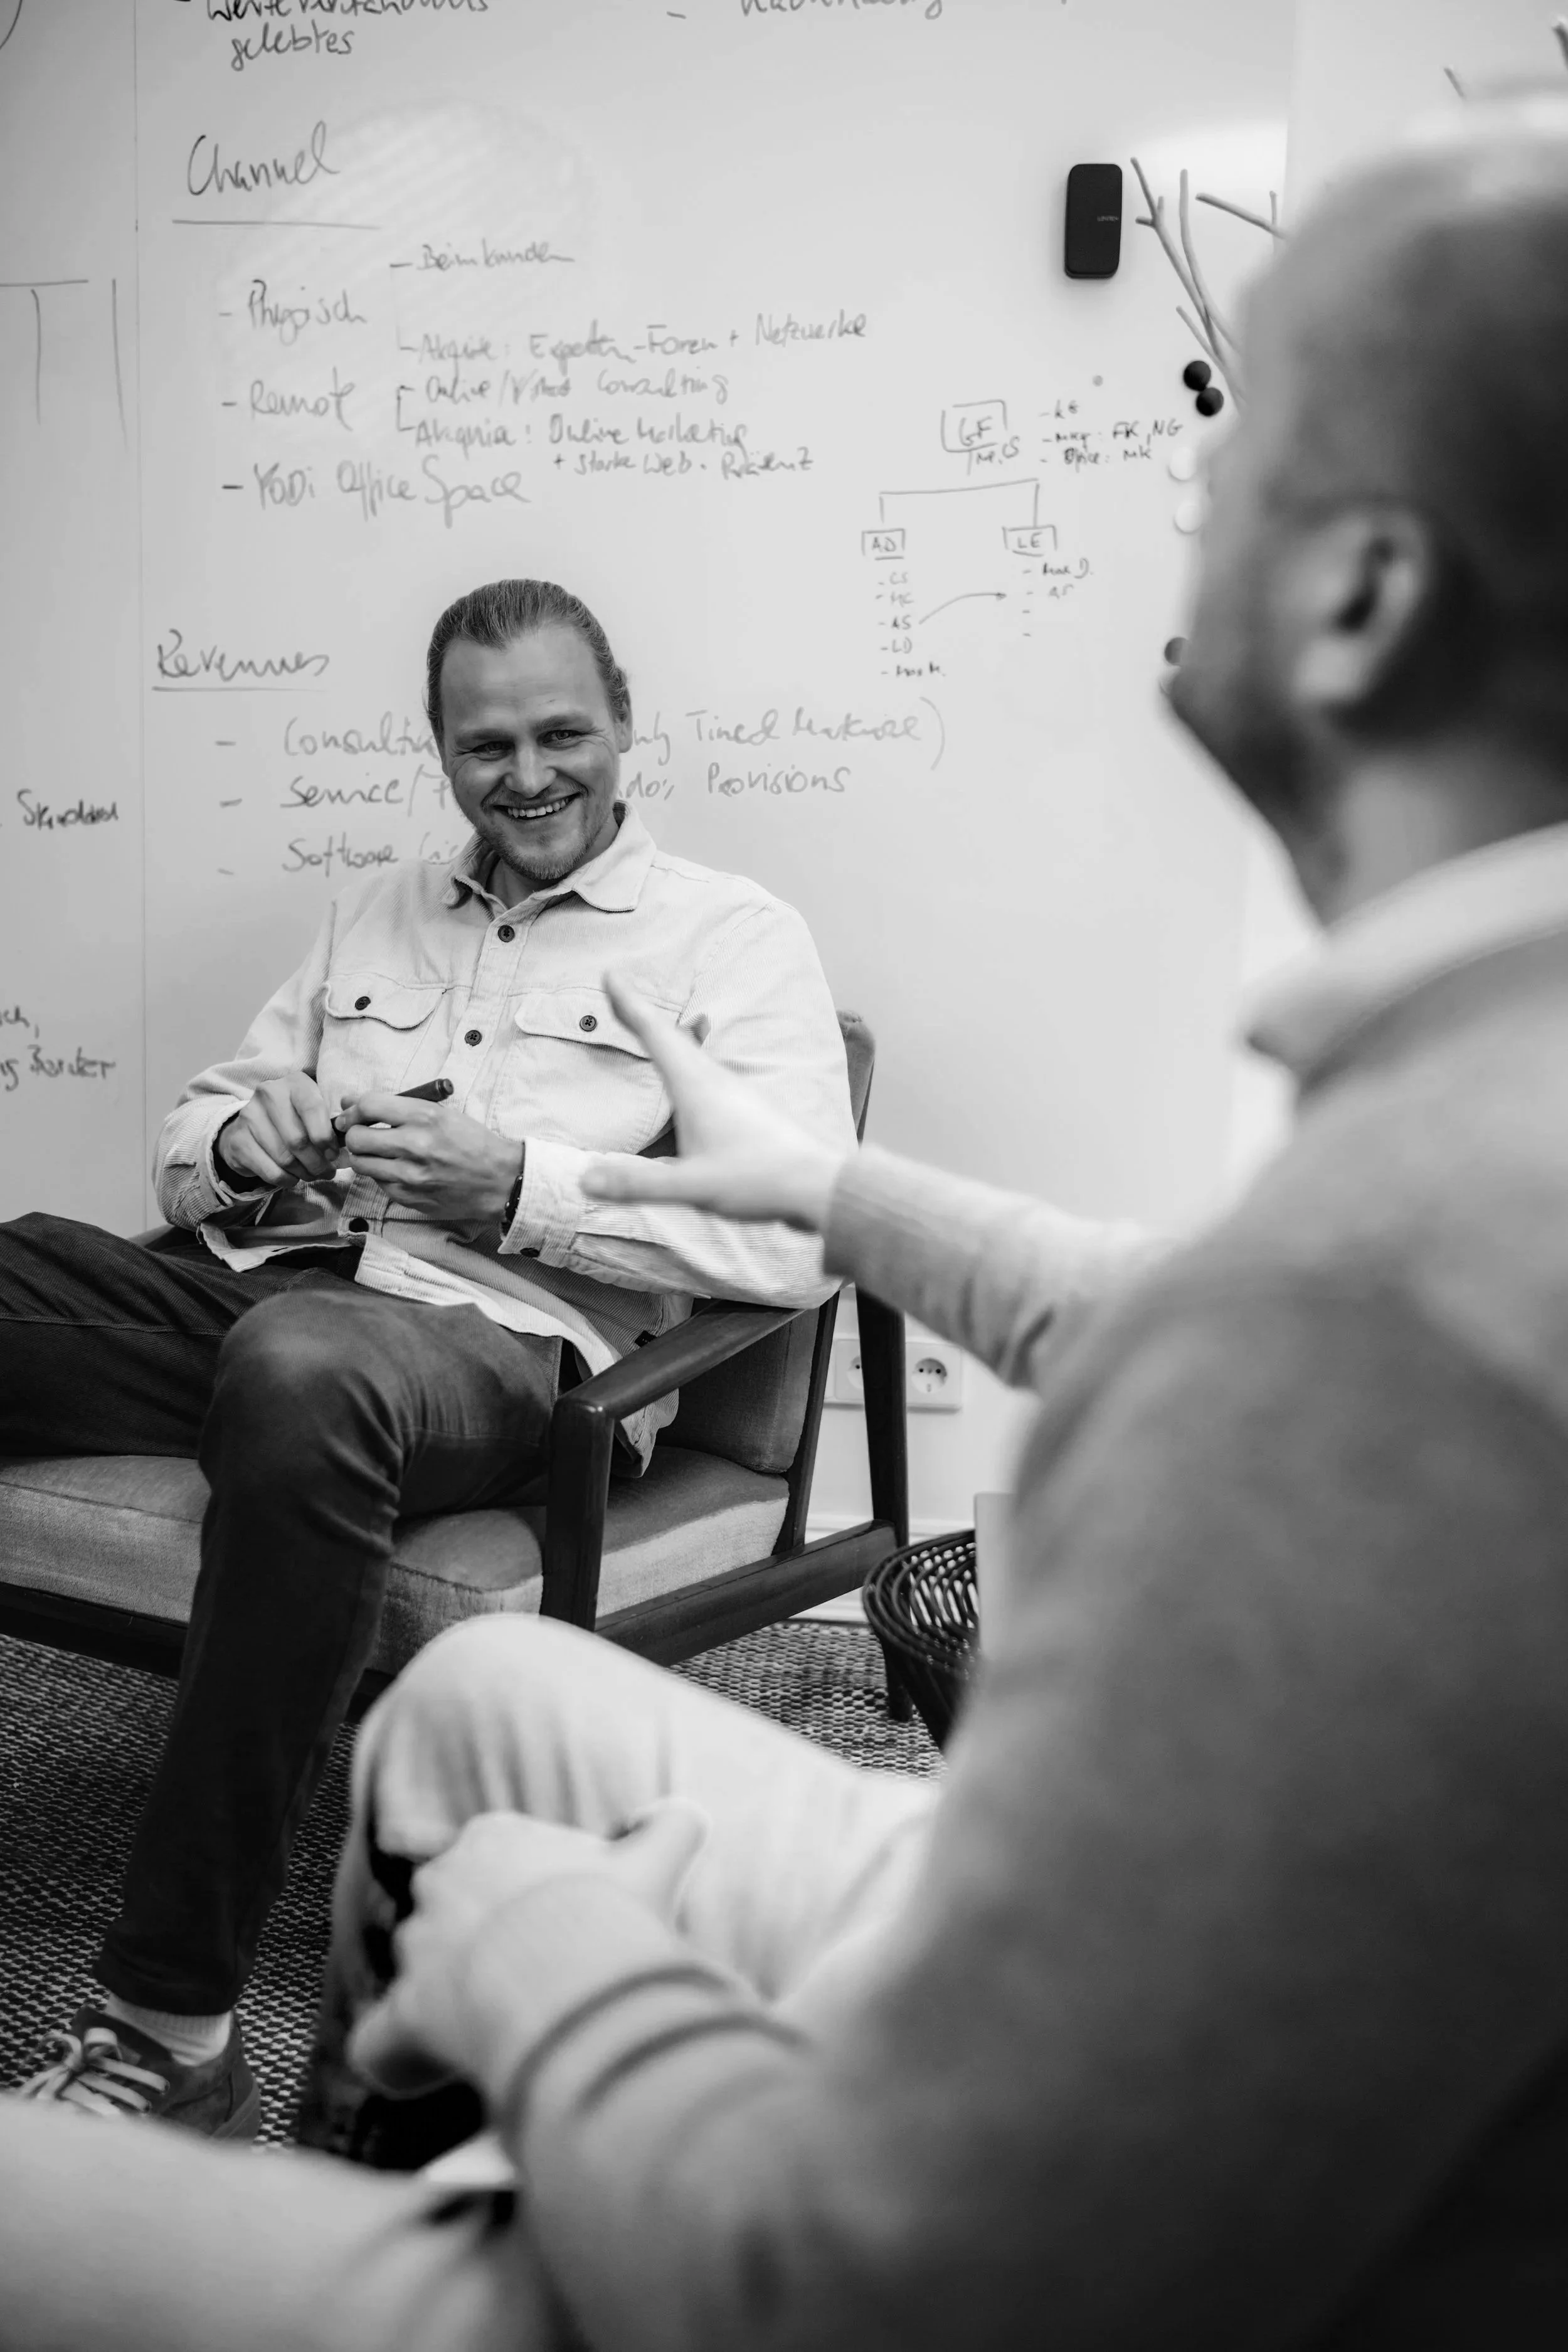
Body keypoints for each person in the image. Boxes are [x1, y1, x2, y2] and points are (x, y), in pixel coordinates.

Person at [289, 97, 1568, 2346]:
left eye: (1233, 434)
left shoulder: (1387, 1316)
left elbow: (874, 2267)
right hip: (1165, 1937)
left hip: (1033, 2142)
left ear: (1363, 593)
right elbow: (1177, 1313)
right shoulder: (1476, 1097)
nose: (1185, 474)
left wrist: (535, 1954)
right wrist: (843, 1195)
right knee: (482, 1694)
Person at [1, 576, 857, 2136]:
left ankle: (171, 2029)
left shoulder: (732, 941)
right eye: (484, 748)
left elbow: (800, 1235)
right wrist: (242, 1150)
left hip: (515, 1352)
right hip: (284, 1289)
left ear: (621, 725)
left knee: (308, 1367)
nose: (526, 777)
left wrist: (518, 1190)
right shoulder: (374, 910)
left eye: (559, 736)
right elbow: (195, 1141)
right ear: (439, 751)